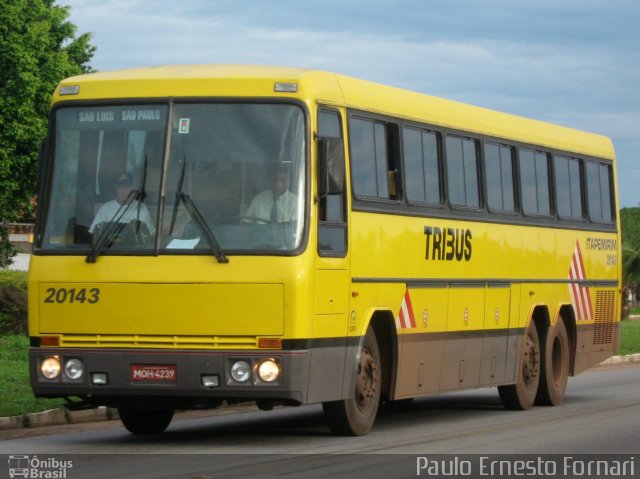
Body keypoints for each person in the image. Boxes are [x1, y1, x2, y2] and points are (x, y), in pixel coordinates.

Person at [89, 172, 155, 234]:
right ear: (116, 188)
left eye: (126, 187)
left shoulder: (141, 208)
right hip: (108, 245)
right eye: (120, 187)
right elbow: (93, 233)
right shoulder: (105, 209)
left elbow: (150, 234)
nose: (123, 190)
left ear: (133, 188)